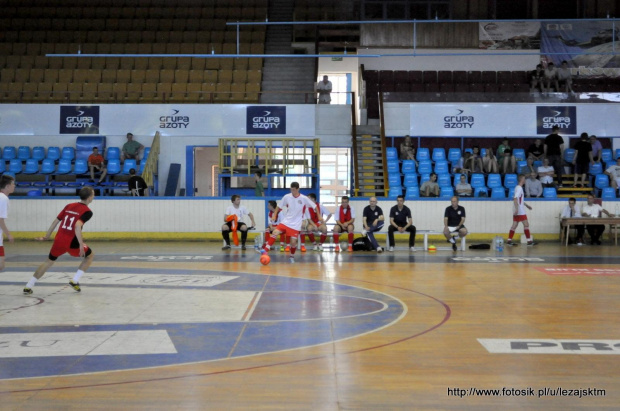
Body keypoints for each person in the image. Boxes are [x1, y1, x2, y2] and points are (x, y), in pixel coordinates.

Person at [23, 186, 96, 295]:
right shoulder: (87, 212)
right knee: (90, 256)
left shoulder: (69, 205)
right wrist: (81, 244)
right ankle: (75, 280)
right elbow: (77, 225)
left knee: (48, 262)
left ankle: (28, 286)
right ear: (90, 197)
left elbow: (56, 221)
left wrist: (47, 236)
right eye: (93, 194)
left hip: (59, 239)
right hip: (72, 241)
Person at [260, 182, 321, 263]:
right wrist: (274, 215)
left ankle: (291, 256)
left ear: (298, 189)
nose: (293, 192)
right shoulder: (287, 197)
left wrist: (319, 216)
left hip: (296, 224)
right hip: (286, 221)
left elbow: (315, 206)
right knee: (275, 232)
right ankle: (265, 250)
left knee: (293, 243)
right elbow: (279, 206)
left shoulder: (304, 198)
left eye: (294, 190)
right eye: (291, 190)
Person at [506, 174, 537, 246]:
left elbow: (519, 199)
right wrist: (517, 209)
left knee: (514, 225)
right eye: (524, 179)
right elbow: (515, 198)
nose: (525, 180)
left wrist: (526, 205)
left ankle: (509, 240)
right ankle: (529, 241)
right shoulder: (519, 188)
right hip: (520, 210)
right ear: (522, 180)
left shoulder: (517, 187)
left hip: (517, 209)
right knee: (526, 224)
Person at [0, 174, 15, 271]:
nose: (14, 186)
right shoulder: (3, 198)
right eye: (13, 184)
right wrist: (8, 234)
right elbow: (0, 219)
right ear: (7, 186)